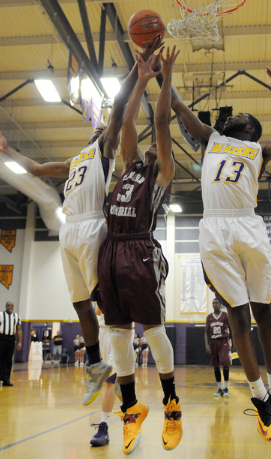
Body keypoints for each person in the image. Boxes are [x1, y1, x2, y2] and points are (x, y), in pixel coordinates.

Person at [0, 38, 162, 406]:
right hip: (68, 230)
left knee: (104, 300)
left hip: (91, 226)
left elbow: (120, 109)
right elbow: (39, 169)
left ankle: (138, 338)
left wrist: (137, 75)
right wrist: (9, 152)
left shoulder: (104, 150)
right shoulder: (76, 161)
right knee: (79, 304)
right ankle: (94, 364)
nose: (101, 129)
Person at [170, 61, 271, 441]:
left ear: (250, 129)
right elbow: (180, 109)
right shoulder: (212, 139)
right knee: (236, 313)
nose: (231, 116)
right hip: (214, 226)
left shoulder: (259, 149)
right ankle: (260, 398)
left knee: (263, 311)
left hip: (247, 224)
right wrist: (162, 74)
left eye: (239, 116)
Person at [98, 46, 182, 454]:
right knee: (116, 336)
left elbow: (161, 123)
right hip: (110, 251)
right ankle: (131, 410)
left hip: (139, 253)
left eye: (158, 147)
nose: (151, 147)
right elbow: (127, 120)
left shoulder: (162, 174)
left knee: (151, 331)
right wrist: (141, 79)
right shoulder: (129, 163)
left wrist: (164, 78)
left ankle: (171, 403)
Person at [90, 304, 122, 447]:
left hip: (120, 330)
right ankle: (134, 407)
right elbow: (97, 310)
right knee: (114, 385)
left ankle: (103, 427)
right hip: (103, 331)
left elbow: (98, 308)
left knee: (110, 380)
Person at [205, 295, 232, 398]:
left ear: (220, 304)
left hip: (224, 341)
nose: (215, 304)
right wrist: (207, 344)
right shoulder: (209, 317)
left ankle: (226, 388)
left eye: (216, 302)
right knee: (216, 366)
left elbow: (231, 329)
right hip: (213, 342)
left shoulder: (225, 315)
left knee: (225, 363)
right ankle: (219, 388)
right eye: (213, 303)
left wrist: (233, 343)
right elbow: (206, 332)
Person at [0, 301, 22, 386]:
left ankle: (6, 380)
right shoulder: (1, 314)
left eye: (11, 305)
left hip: (11, 339)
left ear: (13, 307)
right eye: (8, 305)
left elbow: (19, 330)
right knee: (0, 359)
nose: (10, 307)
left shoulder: (16, 316)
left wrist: (19, 342)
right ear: (5, 306)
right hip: (2, 337)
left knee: (8, 360)